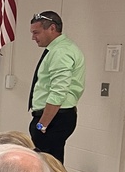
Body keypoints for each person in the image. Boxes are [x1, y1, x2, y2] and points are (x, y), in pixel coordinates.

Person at [28, 11, 85, 162]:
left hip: (54, 118)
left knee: (46, 168)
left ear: (52, 28)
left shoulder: (61, 52)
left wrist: (41, 125)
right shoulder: (59, 49)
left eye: (36, 32)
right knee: (51, 164)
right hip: (55, 117)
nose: (33, 37)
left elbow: (58, 91)